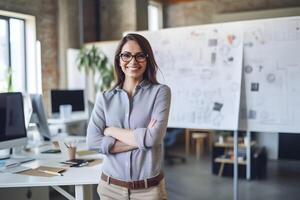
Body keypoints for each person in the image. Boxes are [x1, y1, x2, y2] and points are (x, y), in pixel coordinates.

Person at [87, 33, 171, 200]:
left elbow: (153, 139)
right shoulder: (104, 98)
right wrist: (142, 138)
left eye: (140, 55)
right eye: (126, 55)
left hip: (149, 191)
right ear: (119, 60)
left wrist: (110, 130)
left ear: (147, 59)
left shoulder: (160, 92)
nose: (133, 61)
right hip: (110, 189)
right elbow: (92, 142)